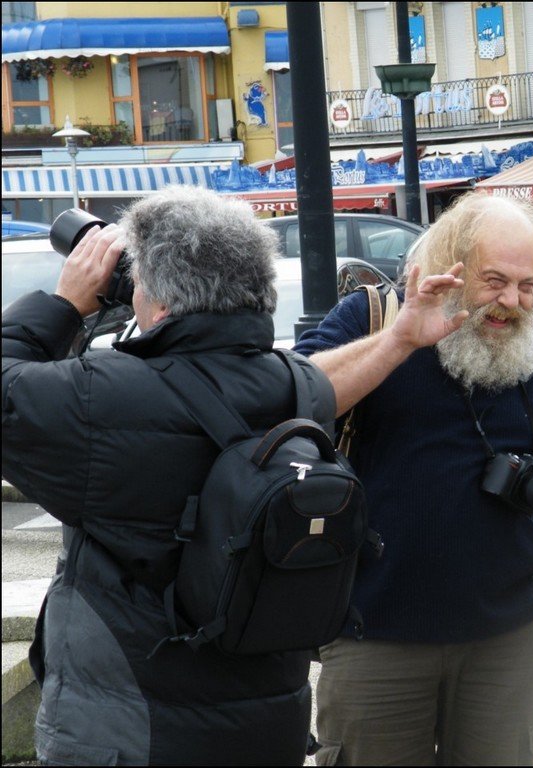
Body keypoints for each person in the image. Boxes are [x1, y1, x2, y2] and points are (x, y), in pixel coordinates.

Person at [1, 186, 335, 765]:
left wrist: (65, 304)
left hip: (132, 727)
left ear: (155, 294)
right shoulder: (305, 386)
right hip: (267, 718)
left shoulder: (99, 399)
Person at [293, 192, 533, 766]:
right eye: (493, 281)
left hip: (509, 646)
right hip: (374, 640)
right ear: (450, 265)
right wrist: (398, 342)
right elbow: (293, 401)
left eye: (527, 285)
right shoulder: (375, 319)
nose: (511, 302)